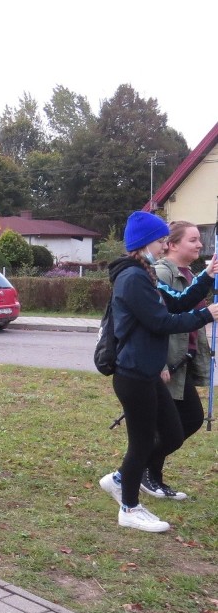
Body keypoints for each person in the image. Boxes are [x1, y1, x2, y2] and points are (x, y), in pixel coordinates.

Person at [98, 212, 218, 533]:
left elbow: (176, 304)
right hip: (133, 375)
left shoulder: (145, 273)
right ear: (144, 243)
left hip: (147, 373)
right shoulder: (132, 278)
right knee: (140, 443)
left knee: (174, 432)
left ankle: (121, 478)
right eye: (161, 239)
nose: (165, 244)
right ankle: (130, 507)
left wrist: (206, 277)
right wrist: (206, 314)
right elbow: (161, 322)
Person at [146, 220, 213, 499]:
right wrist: (159, 364)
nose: (200, 244)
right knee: (182, 422)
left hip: (182, 362)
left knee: (184, 421)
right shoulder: (161, 273)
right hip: (168, 363)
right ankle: (139, 472)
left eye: (200, 239)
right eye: (193, 239)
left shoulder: (189, 272)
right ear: (172, 244)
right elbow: (155, 321)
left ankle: (149, 474)